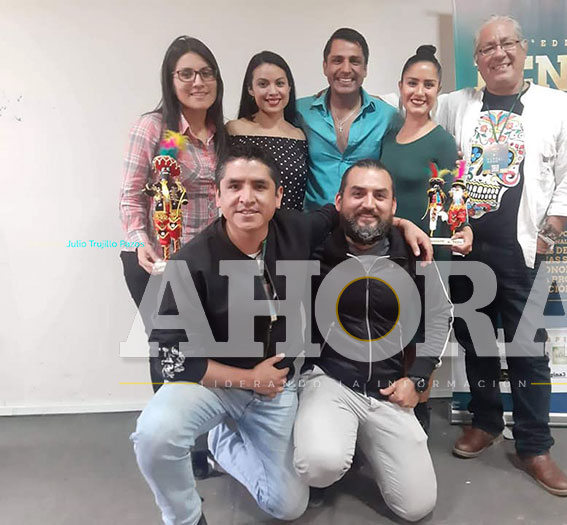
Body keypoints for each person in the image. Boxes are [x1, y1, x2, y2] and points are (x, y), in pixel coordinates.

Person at [130, 144, 434, 525]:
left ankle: (223, 444)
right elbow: (172, 359)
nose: (247, 197)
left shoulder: (297, 230)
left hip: (276, 389)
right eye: (235, 186)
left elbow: (353, 212)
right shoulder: (190, 262)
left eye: (259, 186)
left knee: (289, 505)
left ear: (278, 197)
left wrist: (403, 224)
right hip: (212, 383)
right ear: (217, 196)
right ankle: (185, 517)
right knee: (154, 434)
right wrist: (248, 379)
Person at [435, 15, 567, 496]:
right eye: (487, 48)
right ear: (476, 59)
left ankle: (534, 445)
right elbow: (416, 119)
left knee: (528, 350)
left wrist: (548, 237)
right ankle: (485, 422)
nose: (498, 53)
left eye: (507, 44)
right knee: (475, 343)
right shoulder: (456, 105)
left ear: (523, 49)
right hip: (466, 252)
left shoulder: (558, 107)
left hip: (523, 252)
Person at [293, 159, 452, 522]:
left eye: (380, 196)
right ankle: (333, 439)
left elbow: (440, 314)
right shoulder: (313, 248)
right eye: (358, 194)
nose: (368, 203)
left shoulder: (412, 253)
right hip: (330, 380)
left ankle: (361, 440)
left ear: (393, 205)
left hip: (388, 389)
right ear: (339, 201)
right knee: (319, 465)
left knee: (416, 506)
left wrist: (418, 378)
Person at [118, 34, 227, 478]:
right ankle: (174, 450)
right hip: (157, 261)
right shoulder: (153, 128)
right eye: (186, 74)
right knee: (170, 352)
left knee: (209, 347)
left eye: (206, 73)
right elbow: (129, 196)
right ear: (170, 79)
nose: (197, 82)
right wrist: (139, 240)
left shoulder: (222, 133)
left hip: (207, 263)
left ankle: (207, 443)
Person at [380, 45, 459, 432]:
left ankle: (419, 417)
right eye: (413, 83)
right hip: (389, 249)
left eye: (428, 85)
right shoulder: (388, 136)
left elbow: (454, 199)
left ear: (438, 91)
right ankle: (389, 416)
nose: (419, 91)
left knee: (424, 335)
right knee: (395, 332)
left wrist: (462, 230)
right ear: (400, 86)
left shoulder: (442, 142)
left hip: (428, 252)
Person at [297, 27, 402, 210]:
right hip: (313, 222)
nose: (346, 69)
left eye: (354, 61)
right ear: (325, 66)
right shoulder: (300, 111)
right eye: (337, 60)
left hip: (364, 219)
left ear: (365, 69)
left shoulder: (388, 117)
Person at [227, 51, 309, 210]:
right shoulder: (234, 130)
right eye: (263, 84)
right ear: (250, 89)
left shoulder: (299, 135)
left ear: (289, 87)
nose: (273, 92)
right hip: (247, 222)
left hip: (293, 224)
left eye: (280, 83)